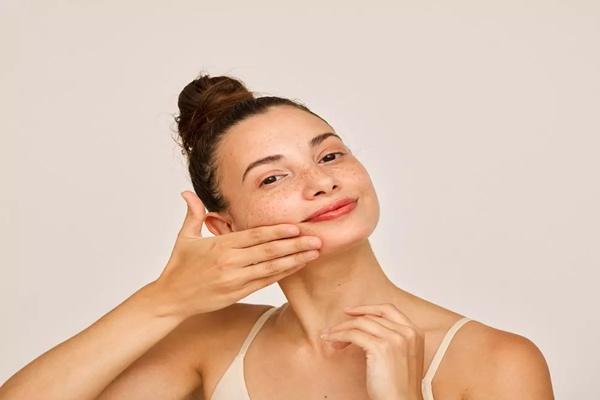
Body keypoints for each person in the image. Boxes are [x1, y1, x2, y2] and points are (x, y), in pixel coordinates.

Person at [0, 73, 555, 400]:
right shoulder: (211, 342)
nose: (322, 181)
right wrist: (163, 301)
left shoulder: (496, 361)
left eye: (330, 155)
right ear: (225, 227)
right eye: (273, 177)